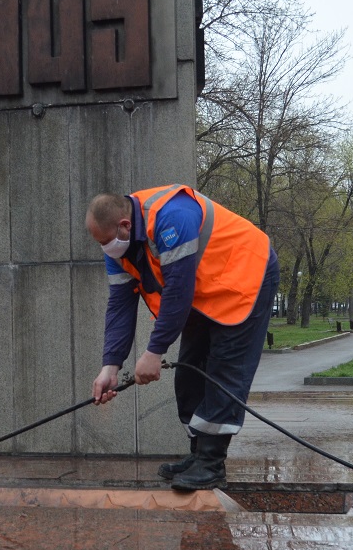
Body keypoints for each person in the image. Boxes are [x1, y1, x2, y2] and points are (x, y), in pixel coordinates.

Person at [87, 185, 280, 491]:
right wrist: (110, 366)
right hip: (204, 292)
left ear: (124, 225)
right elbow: (120, 306)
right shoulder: (119, 248)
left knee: (224, 371)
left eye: (104, 241)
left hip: (246, 275)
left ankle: (211, 463)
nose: (104, 249)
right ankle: (198, 455)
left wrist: (154, 351)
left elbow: (178, 289)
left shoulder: (171, 216)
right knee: (191, 372)